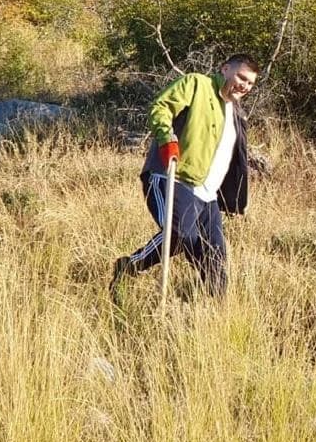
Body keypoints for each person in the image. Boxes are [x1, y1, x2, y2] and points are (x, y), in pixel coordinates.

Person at [110, 54, 258, 300]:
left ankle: (209, 315)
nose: (244, 85)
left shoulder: (236, 113)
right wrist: (167, 139)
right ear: (225, 69)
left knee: (216, 262)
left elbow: (235, 161)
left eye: (250, 83)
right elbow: (161, 106)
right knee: (180, 233)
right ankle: (129, 267)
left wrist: (235, 199)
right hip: (172, 178)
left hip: (207, 195)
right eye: (241, 77)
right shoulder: (197, 84)